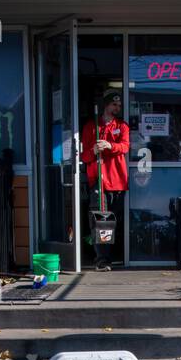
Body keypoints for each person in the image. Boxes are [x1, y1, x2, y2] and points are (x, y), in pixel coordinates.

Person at [81, 90, 129, 270]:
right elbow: (84, 157)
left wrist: (109, 145)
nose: (117, 108)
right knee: (102, 221)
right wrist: (93, 151)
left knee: (115, 221)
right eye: (114, 104)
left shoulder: (122, 126)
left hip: (118, 181)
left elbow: (124, 146)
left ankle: (114, 255)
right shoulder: (90, 127)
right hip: (99, 182)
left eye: (119, 105)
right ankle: (102, 259)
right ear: (106, 105)